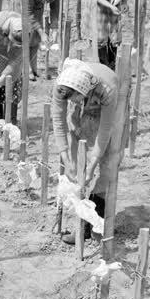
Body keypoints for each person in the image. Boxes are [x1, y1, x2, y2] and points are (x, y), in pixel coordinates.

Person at [51, 60, 119, 245]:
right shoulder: (62, 85)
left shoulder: (107, 89)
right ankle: (80, 227)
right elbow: (58, 121)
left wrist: (93, 163)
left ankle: (95, 226)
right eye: (70, 100)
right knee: (75, 167)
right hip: (85, 107)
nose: (71, 102)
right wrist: (66, 158)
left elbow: (105, 129)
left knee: (107, 167)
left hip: (109, 112)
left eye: (74, 99)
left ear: (84, 92)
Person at [82, 0, 138, 70]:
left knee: (114, 33)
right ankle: (103, 65)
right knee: (100, 34)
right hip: (97, 1)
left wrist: (124, 2)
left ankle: (112, 65)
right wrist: (110, 7)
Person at [10, 0, 60, 79]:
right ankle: (24, 69)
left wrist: (55, 28)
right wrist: (43, 33)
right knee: (23, 33)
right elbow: (27, 13)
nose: (47, 2)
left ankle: (34, 68)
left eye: (49, 0)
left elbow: (55, 8)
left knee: (35, 36)